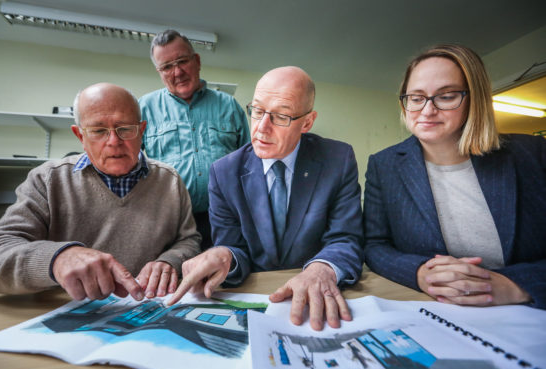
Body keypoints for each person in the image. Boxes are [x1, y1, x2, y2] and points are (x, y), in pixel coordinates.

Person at [167, 66, 364, 331]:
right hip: (256, 302)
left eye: (281, 116)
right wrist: (224, 254)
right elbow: (234, 246)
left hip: (318, 302)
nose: (261, 128)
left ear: (307, 122)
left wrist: (321, 270)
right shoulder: (224, 172)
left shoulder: (338, 160)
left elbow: (345, 237)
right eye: (257, 111)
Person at [363, 44, 546, 309]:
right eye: (416, 98)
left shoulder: (532, 154)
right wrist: (419, 272)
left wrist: (518, 285)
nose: (426, 110)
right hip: (437, 311)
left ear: (475, 99)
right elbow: (375, 245)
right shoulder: (384, 165)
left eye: (446, 96)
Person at [0, 83, 201, 301]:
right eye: (98, 131)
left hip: (148, 308)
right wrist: (57, 259)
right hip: (62, 312)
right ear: (80, 136)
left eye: (125, 129)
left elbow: (189, 240)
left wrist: (170, 261)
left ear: (142, 130)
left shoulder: (170, 181)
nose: (114, 142)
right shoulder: (48, 180)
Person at [139, 29, 250, 249]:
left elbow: (249, 163)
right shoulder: (144, 109)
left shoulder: (228, 106)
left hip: (226, 218)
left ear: (196, 61)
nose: (177, 72)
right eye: (167, 67)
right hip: (170, 220)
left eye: (182, 61)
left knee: (228, 277)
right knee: (174, 278)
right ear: (159, 72)